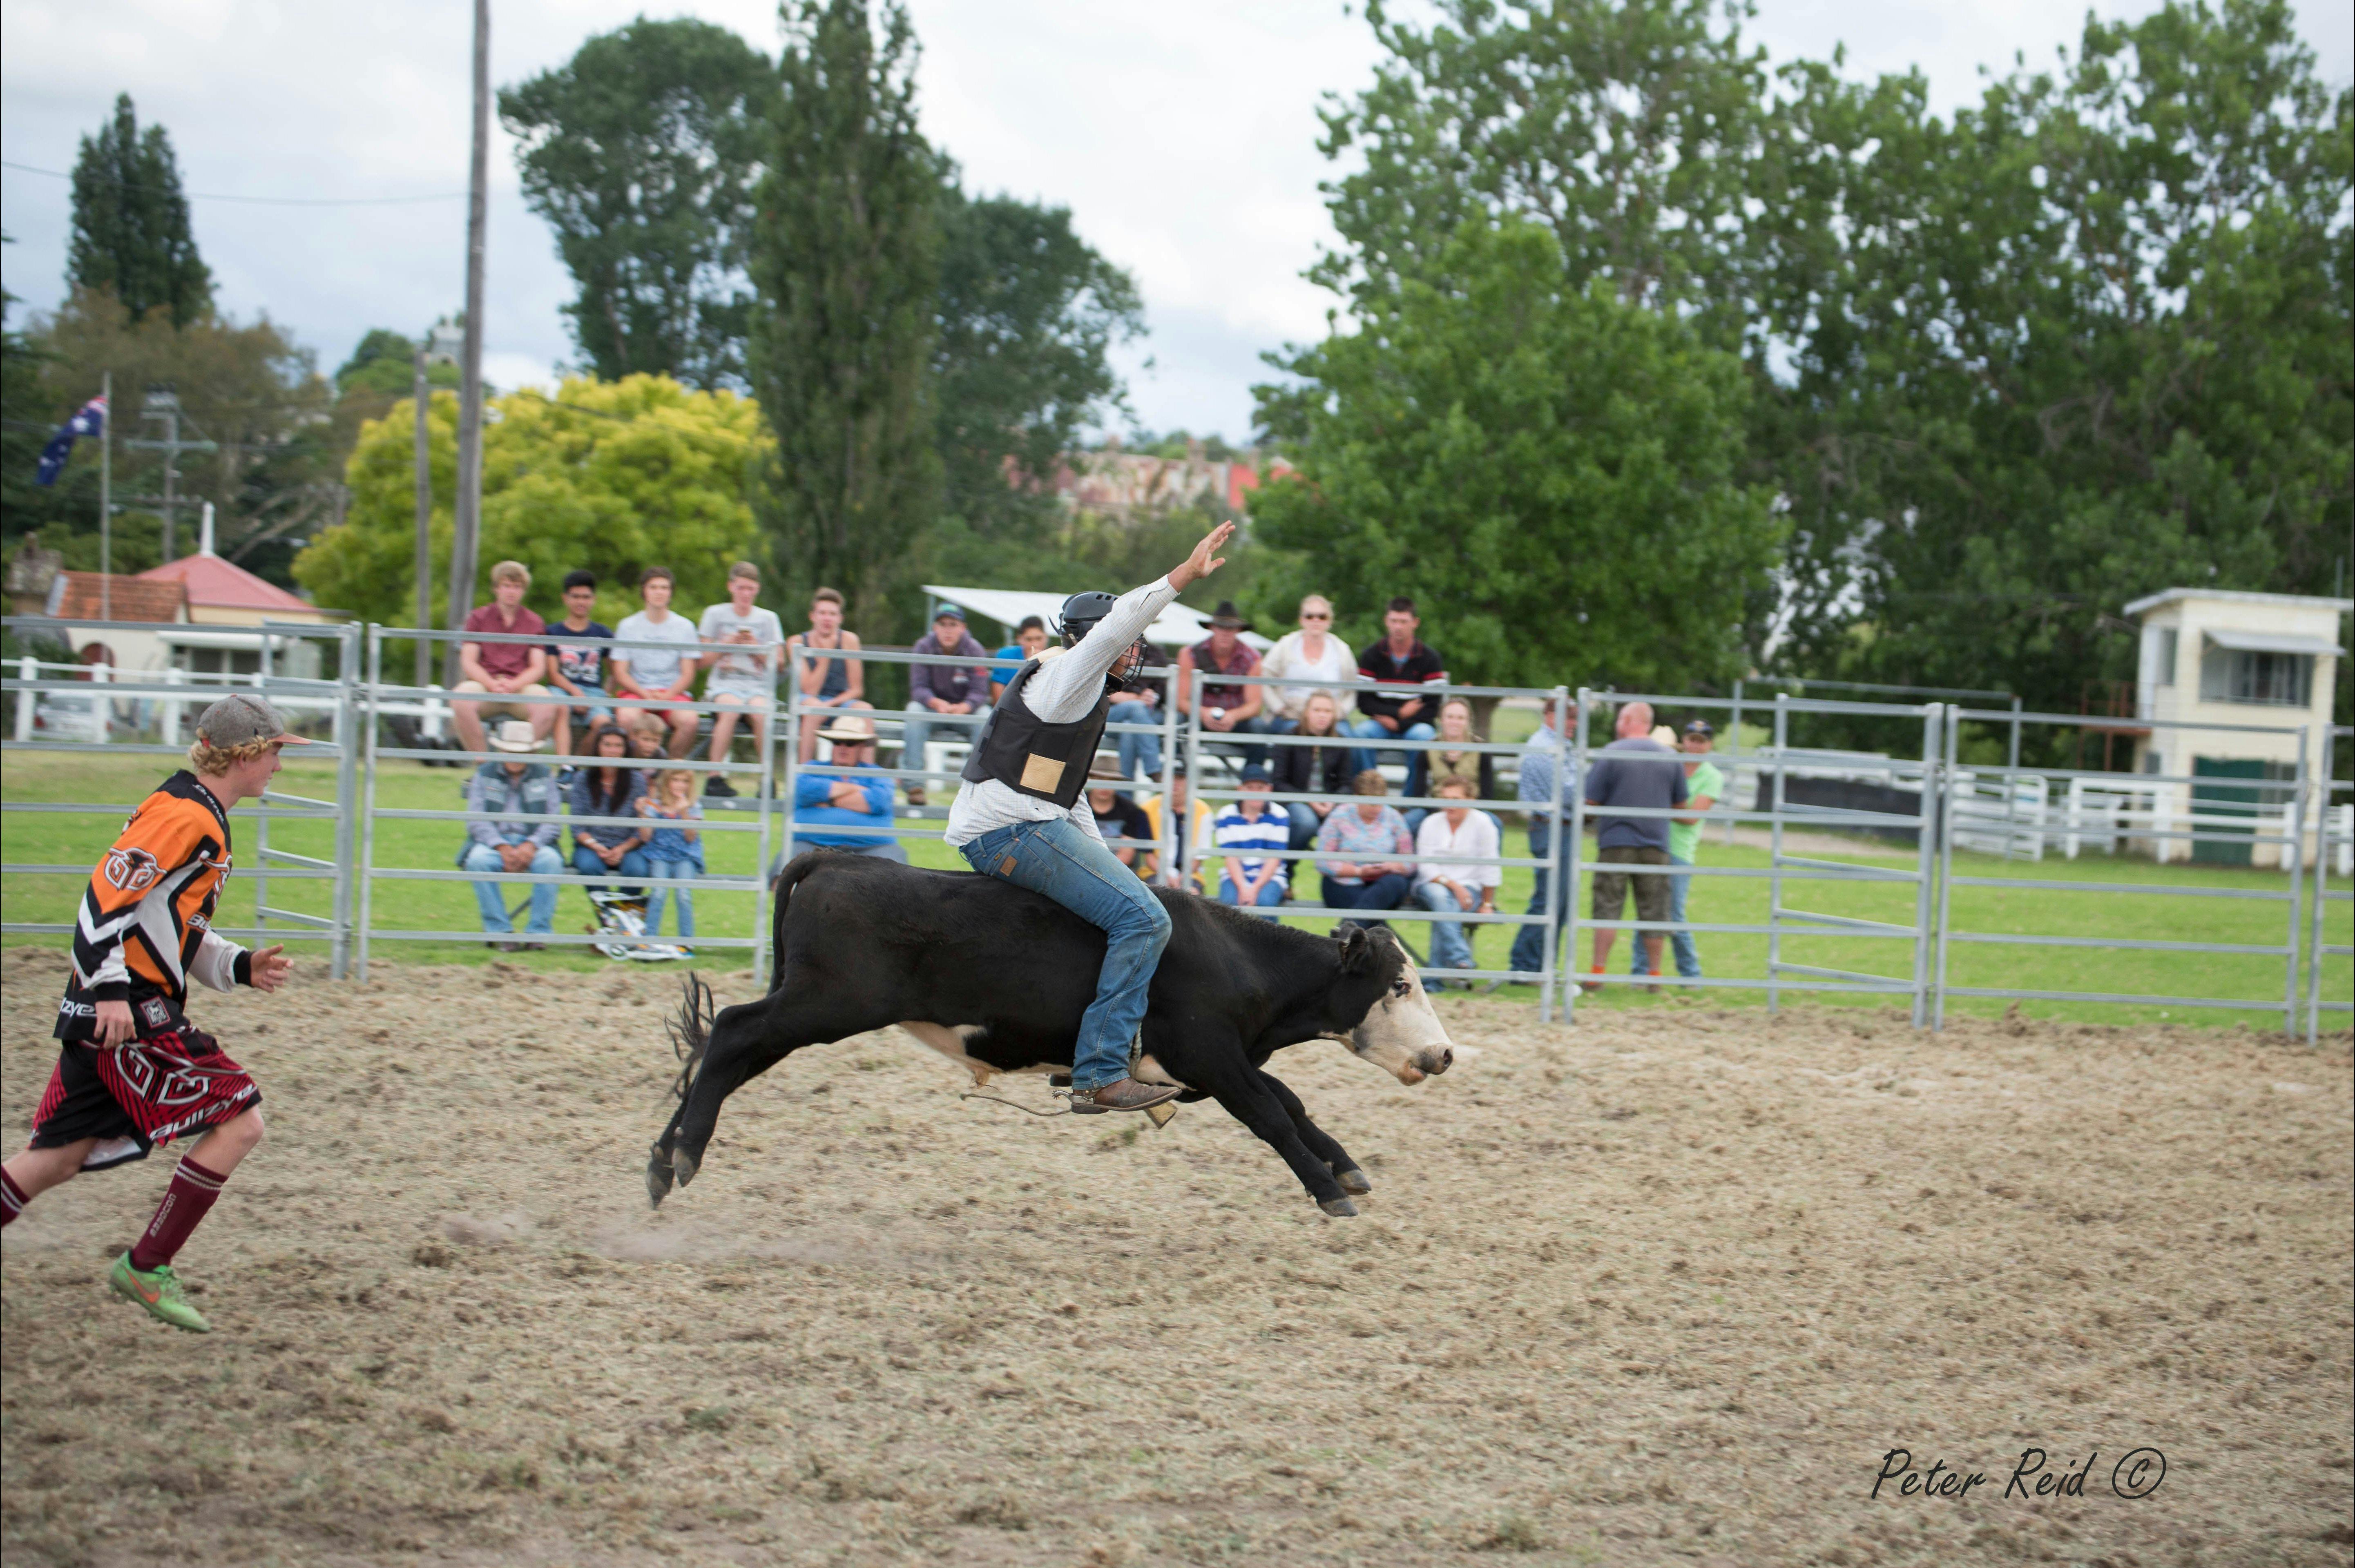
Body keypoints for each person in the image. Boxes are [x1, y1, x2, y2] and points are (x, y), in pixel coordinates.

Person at [2, 694, 301, 1333]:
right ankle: (147, 1264)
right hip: (129, 1011)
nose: (280, 762)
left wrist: (237, 963)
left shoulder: (200, 812)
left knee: (57, 1156)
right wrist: (111, 990)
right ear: (245, 751)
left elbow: (162, 921)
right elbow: (101, 899)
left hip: (114, 1006)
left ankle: (147, 1262)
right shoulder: (187, 814)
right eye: (275, 749)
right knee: (242, 1119)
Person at [944, 521, 1237, 1115]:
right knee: (1146, 922)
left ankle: (1078, 1052)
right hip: (1012, 830)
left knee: (1125, 909)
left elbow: (1065, 796)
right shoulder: (1070, 674)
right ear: (1094, 641)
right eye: (1127, 643)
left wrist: (1111, 867)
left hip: (1014, 824)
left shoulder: (1071, 692)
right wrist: (1183, 574)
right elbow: (1124, 620)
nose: (1135, 650)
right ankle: (1101, 1070)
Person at [1582, 700, 1688, 989]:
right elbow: (1681, 805)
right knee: (1654, 908)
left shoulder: (1612, 753)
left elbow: (1590, 801)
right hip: (1656, 842)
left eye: (1620, 718)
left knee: (1608, 905)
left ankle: (1598, 972)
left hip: (1616, 841)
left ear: (1628, 720)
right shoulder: (1669, 757)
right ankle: (1654, 976)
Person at [1631, 718, 1725, 981]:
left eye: (1701, 741)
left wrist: (1658, 803)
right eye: (1692, 740)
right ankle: (1641, 973)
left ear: (1709, 745)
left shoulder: (1712, 777)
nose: (1695, 745)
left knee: (1673, 914)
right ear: (1684, 741)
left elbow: (1693, 816)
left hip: (1679, 851)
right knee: (1647, 911)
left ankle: (1690, 974)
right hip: (1652, 843)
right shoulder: (1669, 766)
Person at [461, 720, 565, 950]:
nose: (515, 757)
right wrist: (500, 846)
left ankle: (538, 932)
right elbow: (476, 819)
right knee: (477, 861)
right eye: (510, 752)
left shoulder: (545, 775)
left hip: (534, 845)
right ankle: (500, 931)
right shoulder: (484, 774)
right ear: (501, 750)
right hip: (494, 844)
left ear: (533, 752)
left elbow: (554, 819)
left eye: (522, 752)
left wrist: (532, 845)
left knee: (552, 862)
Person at [698, 561, 785, 797]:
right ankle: (715, 777)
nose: (746, 594)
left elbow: (779, 663)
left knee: (760, 714)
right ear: (731, 587)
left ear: (757, 590)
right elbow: (701, 661)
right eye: (741, 588)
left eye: (751, 589)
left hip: (757, 686)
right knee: (731, 709)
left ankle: (768, 780)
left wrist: (756, 648)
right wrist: (727, 643)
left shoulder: (768, 619)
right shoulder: (714, 614)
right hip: (723, 684)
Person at [451, 560, 554, 756]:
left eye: (517, 587)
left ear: (523, 591)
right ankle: (482, 764)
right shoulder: (478, 618)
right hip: (485, 683)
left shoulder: (534, 622)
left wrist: (514, 685)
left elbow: (538, 667)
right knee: (460, 699)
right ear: (496, 588)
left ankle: (517, 763)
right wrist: (491, 684)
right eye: (507, 586)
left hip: (520, 685)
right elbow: (469, 662)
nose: (511, 591)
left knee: (547, 705)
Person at [1505, 694, 1574, 984]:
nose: (1573, 724)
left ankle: (1540, 965)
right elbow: (1570, 791)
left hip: (1558, 826)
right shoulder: (1544, 748)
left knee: (1559, 900)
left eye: (1574, 718)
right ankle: (1524, 964)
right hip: (1549, 827)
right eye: (1568, 717)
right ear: (1550, 715)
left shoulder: (1556, 745)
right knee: (1549, 899)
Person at [901, 602, 991, 808]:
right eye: (943, 624)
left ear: (963, 628)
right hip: (932, 708)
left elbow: (980, 692)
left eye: (953, 624)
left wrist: (965, 707)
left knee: (985, 717)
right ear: (935, 628)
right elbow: (918, 688)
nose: (948, 630)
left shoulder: (974, 649)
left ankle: (979, 789)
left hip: (965, 711)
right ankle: (914, 786)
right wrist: (935, 703)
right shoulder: (923, 647)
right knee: (914, 712)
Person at [1413, 776, 1501, 986]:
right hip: (1433, 884)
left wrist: (1487, 904)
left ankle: (1433, 981)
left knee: (1444, 908)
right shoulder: (1431, 823)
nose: (1450, 805)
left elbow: (1490, 866)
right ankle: (1461, 957)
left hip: (1470, 888)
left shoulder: (1484, 825)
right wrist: (1454, 886)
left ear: (1470, 799)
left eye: (1456, 799)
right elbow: (1425, 866)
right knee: (1440, 897)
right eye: (1446, 799)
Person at [1345, 596, 1446, 776]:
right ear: (1386, 621)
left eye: (1403, 622)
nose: (1398, 627)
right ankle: (1368, 794)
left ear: (1415, 623)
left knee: (1424, 737)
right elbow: (1364, 702)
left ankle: (1412, 800)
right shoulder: (1371, 655)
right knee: (1360, 734)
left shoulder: (1430, 658)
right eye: (1394, 621)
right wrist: (1398, 714)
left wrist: (1400, 724)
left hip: (1416, 725)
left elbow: (1432, 706)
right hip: (1381, 724)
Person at [788, 714, 906, 864]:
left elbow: (879, 800)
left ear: (862, 747)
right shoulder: (812, 769)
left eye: (850, 743)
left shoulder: (878, 774)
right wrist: (858, 790)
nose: (843, 748)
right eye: (838, 742)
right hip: (812, 846)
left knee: (897, 867)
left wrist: (828, 800)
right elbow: (802, 790)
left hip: (873, 848)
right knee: (785, 868)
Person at [612, 567, 703, 759]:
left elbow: (688, 673)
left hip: (672, 693)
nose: (659, 592)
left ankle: (670, 772)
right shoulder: (627, 626)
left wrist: (667, 696)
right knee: (626, 718)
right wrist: (644, 694)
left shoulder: (685, 627)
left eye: (664, 588)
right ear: (644, 591)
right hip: (637, 692)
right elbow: (621, 672)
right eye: (653, 587)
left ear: (671, 593)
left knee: (690, 721)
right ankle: (637, 773)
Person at [1315, 769, 1416, 928]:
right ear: (1357, 798)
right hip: (1344, 884)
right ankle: (1377, 942)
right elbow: (1322, 862)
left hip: (1384, 885)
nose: (1375, 808)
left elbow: (1410, 862)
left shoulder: (1394, 818)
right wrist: (1359, 872)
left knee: (1395, 883)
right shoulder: (1339, 816)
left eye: (1379, 802)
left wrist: (1389, 867)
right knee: (1372, 918)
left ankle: (1343, 935)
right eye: (1370, 803)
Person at [1176, 600, 1265, 762]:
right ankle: (1178, 779)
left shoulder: (1253, 659)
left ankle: (1253, 782)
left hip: (1236, 722)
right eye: (1221, 627)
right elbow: (1180, 701)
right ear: (1212, 628)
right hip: (1198, 718)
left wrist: (1233, 716)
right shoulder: (1190, 654)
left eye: (1230, 628)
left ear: (1238, 630)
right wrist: (1203, 713)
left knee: (1258, 728)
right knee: (1177, 724)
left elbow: (1255, 706)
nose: (1226, 632)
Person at [1255, 594, 1355, 736]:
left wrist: (1341, 711)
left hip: (1332, 718)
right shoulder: (1286, 645)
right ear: (1301, 620)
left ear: (1329, 621)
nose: (1316, 620)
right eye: (1310, 616)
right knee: (1292, 739)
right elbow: (1262, 676)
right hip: (1291, 715)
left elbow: (1353, 688)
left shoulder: (1342, 650)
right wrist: (1278, 707)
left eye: (1322, 616)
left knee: (1350, 741)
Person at [789, 587, 869, 763]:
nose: (827, 619)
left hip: (839, 700)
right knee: (814, 709)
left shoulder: (849, 641)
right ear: (813, 616)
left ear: (840, 619)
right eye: (822, 613)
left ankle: (866, 778)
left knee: (865, 710)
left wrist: (832, 704)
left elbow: (857, 689)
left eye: (832, 614)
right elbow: (809, 690)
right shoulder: (796, 642)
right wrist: (826, 656)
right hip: (808, 699)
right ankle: (804, 775)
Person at [567, 725, 649, 890]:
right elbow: (577, 826)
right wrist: (597, 847)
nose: (613, 751)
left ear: (625, 750)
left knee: (637, 870)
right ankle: (610, 916)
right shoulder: (582, 779)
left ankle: (625, 916)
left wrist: (622, 849)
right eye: (607, 745)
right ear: (598, 747)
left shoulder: (637, 781)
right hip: (591, 846)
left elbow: (640, 827)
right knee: (590, 868)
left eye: (618, 746)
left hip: (628, 847)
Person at [544, 569, 615, 758]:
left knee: (604, 725)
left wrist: (607, 691)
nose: (581, 602)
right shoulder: (553, 632)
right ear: (565, 598)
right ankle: (565, 765)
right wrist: (576, 694)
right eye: (575, 597)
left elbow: (615, 670)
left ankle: (577, 766)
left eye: (586, 597)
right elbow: (552, 673)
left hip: (593, 692)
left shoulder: (603, 634)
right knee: (560, 708)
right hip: (562, 689)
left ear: (594, 600)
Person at [1272, 689, 1353, 850]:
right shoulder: (1289, 738)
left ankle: (1334, 873)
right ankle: (1286, 867)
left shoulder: (1341, 742)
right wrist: (1309, 800)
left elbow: (1347, 784)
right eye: (1317, 710)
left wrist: (1332, 802)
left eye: (1328, 711)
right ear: (1306, 713)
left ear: (1334, 715)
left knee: (1348, 826)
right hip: (1296, 800)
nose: (1322, 715)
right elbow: (1279, 782)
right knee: (1306, 823)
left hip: (1329, 803)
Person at [636, 765, 705, 946]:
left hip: (685, 855)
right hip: (660, 854)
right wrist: (643, 813)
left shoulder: (694, 806)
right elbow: (646, 837)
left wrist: (684, 813)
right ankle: (650, 939)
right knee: (658, 892)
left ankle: (686, 941)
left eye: (685, 781)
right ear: (667, 783)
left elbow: (691, 837)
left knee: (683, 894)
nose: (680, 785)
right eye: (675, 780)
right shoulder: (657, 805)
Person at [1408, 696, 1496, 834]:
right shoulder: (1428, 748)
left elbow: (1487, 793)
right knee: (1410, 821)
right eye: (1450, 717)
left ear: (1468, 722)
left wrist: (1466, 810)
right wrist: (1439, 810)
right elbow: (1418, 791)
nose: (1455, 722)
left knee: (1495, 824)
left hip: (1471, 809)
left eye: (1461, 718)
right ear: (1441, 720)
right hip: (1436, 808)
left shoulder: (1482, 749)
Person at [1212, 763, 1290, 915]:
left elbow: (1274, 859)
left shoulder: (1280, 815)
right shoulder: (1226, 815)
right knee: (1228, 907)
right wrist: (1243, 887)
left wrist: (1254, 889)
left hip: (1271, 876)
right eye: (1250, 787)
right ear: (1240, 789)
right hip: (1235, 875)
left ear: (1269, 789)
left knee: (1265, 904)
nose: (1255, 792)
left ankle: (1268, 940)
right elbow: (1231, 858)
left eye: (1260, 788)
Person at [1137, 761, 1214, 890]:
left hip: (1191, 874)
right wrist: (1167, 877)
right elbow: (1149, 855)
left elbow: (1199, 857)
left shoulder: (1203, 811)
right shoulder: (1147, 809)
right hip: (1154, 872)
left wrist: (1181, 879)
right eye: (1170, 778)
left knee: (1191, 895)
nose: (1175, 783)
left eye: (1180, 778)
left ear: (1189, 781)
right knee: (1158, 894)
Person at [1087, 769, 1156, 872]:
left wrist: (1102, 872)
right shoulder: (1076, 804)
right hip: (1083, 865)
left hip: (1117, 871)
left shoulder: (1131, 811)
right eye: (1100, 779)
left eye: (1111, 780)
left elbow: (1126, 854)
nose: (1105, 786)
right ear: (1091, 779)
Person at [991, 616, 1049, 702]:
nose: (1035, 644)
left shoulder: (1055, 657)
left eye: (1039, 639)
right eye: (1029, 640)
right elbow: (998, 697)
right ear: (1020, 639)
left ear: (1046, 638)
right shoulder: (1006, 656)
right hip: (1012, 707)